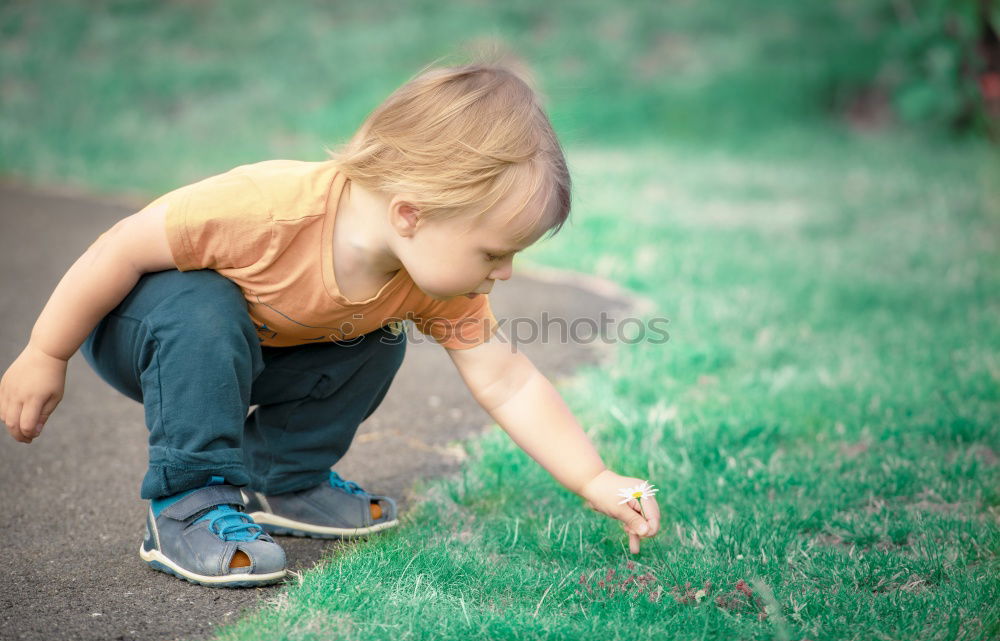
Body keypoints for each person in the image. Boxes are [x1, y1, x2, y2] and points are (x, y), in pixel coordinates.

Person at [0, 59, 661, 587]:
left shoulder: (429, 278)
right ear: (411, 214)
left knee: (378, 337)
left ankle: (283, 480)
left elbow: (508, 381)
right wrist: (44, 352)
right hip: (146, 333)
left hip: (256, 353)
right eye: (494, 251)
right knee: (203, 303)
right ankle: (187, 503)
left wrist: (594, 477)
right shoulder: (266, 210)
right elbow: (119, 247)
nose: (507, 271)